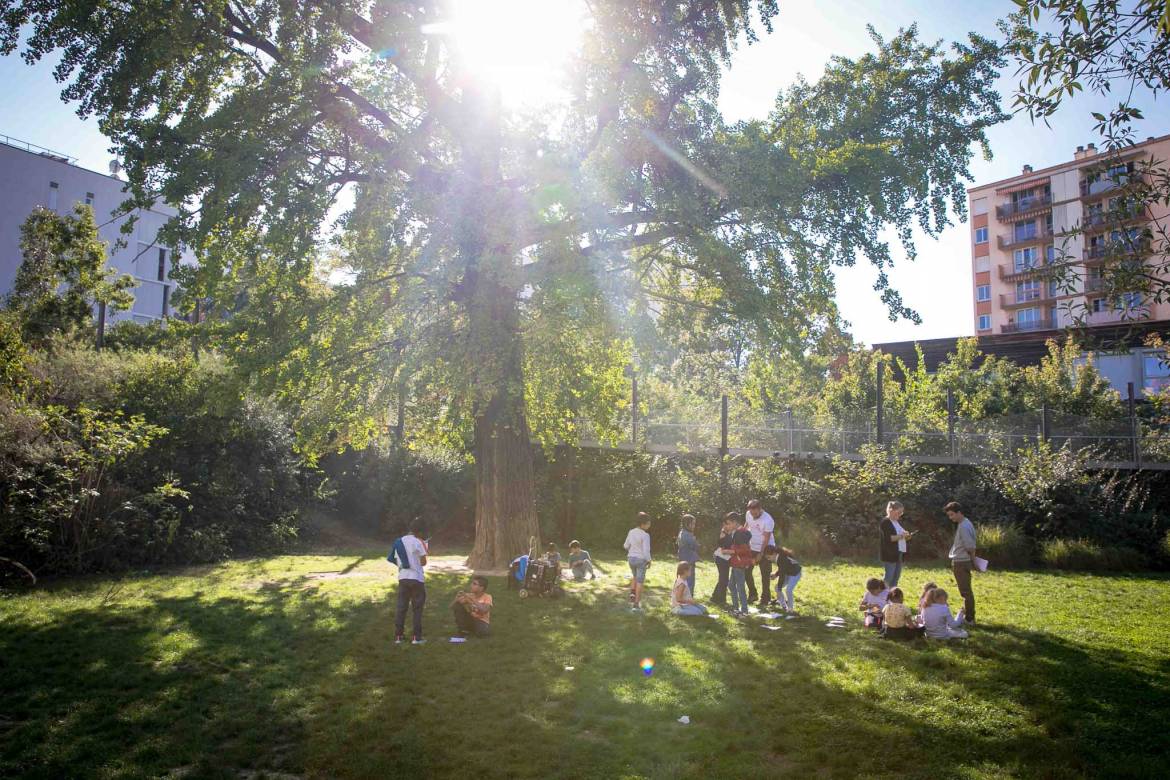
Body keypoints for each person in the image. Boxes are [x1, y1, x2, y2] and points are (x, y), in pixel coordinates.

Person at [392, 518, 429, 645]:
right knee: (417, 609)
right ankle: (416, 638)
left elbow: (398, 562)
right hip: (417, 578)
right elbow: (424, 562)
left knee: (401, 607)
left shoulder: (398, 542)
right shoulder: (418, 542)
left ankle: (398, 637)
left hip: (403, 578)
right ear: (420, 531)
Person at [944, 501, 979, 624]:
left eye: (952, 514)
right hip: (963, 560)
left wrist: (974, 561)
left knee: (965, 591)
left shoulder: (963, 526)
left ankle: (969, 618)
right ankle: (968, 615)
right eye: (949, 515)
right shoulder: (966, 523)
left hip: (961, 562)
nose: (951, 518)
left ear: (959, 512)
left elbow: (970, 546)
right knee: (966, 590)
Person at [744, 499, 776, 606]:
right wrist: (742, 537)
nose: (753, 515)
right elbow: (747, 525)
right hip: (752, 546)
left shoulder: (768, 520)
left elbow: (766, 539)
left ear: (760, 509)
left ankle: (765, 598)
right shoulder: (749, 514)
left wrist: (761, 554)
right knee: (746, 571)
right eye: (751, 513)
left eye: (755, 513)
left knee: (765, 574)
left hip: (767, 549)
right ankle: (753, 594)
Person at [879, 500, 912, 589]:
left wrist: (907, 536)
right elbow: (890, 538)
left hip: (899, 553)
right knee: (889, 577)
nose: (901, 514)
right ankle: (882, 595)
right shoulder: (885, 522)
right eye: (899, 512)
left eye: (902, 512)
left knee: (896, 578)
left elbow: (900, 536)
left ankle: (892, 597)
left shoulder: (896, 522)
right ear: (891, 510)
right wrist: (902, 535)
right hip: (890, 554)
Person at [623, 512, 653, 609]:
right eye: (649, 523)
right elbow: (646, 550)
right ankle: (636, 604)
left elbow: (626, 546)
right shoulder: (645, 535)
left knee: (635, 576)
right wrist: (649, 560)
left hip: (631, 559)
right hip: (641, 560)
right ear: (643, 524)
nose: (649, 525)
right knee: (640, 581)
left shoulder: (631, 532)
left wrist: (632, 551)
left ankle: (632, 593)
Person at [728, 512, 755, 616]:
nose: (728, 526)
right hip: (736, 563)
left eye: (729, 523)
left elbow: (745, 550)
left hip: (739, 564)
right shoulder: (740, 531)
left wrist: (731, 551)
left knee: (740, 587)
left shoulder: (740, 533)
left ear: (734, 522)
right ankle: (736, 608)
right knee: (731, 585)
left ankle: (744, 611)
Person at [711, 513, 737, 608]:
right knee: (724, 579)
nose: (727, 526)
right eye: (726, 524)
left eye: (728, 524)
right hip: (721, 558)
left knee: (723, 579)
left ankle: (715, 597)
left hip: (725, 558)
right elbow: (723, 546)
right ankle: (721, 600)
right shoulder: (724, 533)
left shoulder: (731, 532)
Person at [773, 546, 802, 613]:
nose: (769, 559)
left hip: (795, 574)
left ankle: (790, 609)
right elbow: (782, 569)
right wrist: (776, 574)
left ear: (774, 553)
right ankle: (783, 605)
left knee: (788, 590)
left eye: (768, 557)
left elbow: (782, 574)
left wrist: (780, 587)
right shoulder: (779, 557)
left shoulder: (781, 558)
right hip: (788, 573)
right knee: (777, 588)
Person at [677, 514, 700, 596]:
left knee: (682, 580)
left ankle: (681, 596)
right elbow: (694, 546)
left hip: (683, 560)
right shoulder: (687, 535)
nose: (694, 526)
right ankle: (688, 599)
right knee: (690, 581)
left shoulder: (681, 533)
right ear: (687, 524)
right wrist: (695, 541)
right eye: (693, 524)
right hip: (689, 561)